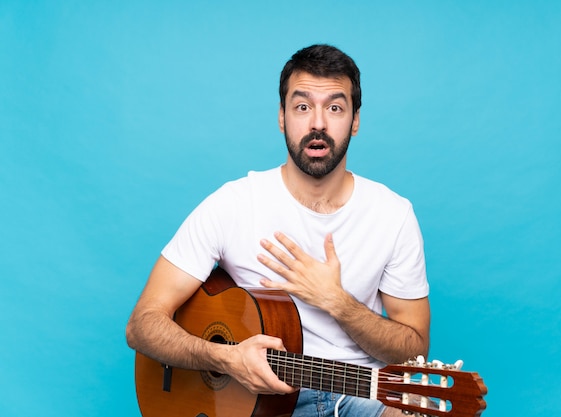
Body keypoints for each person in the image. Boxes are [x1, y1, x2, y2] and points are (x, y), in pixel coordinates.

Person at [126, 44, 430, 417]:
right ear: (282, 117)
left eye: (334, 107)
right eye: (302, 106)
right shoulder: (233, 204)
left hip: (357, 396)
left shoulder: (393, 215)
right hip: (249, 402)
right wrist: (224, 358)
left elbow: (413, 350)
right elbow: (142, 324)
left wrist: (337, 302)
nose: (317, 123)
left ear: (355, 120)